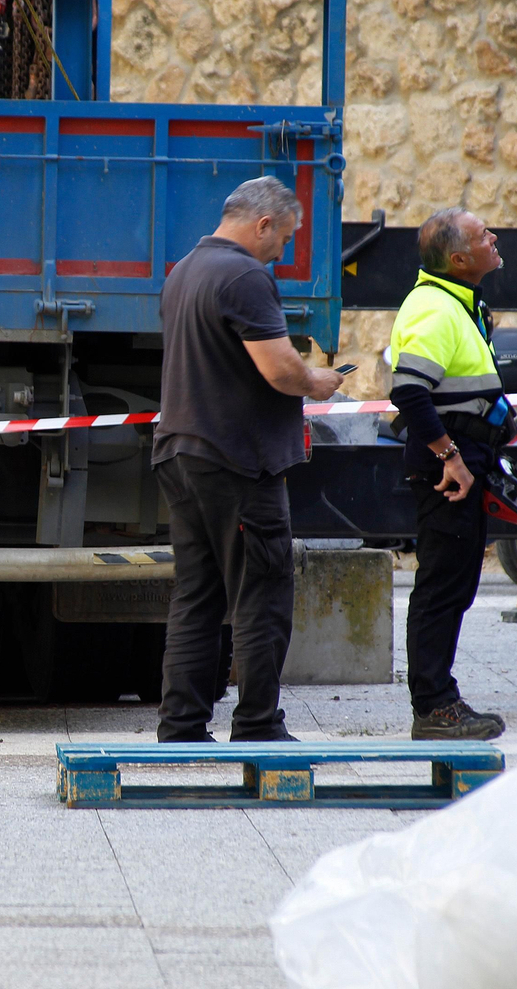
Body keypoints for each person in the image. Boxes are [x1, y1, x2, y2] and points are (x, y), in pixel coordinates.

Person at [152, 176, 344, 743]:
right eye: (282, 240)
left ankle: (182, 724)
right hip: (238, 461)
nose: (280, 254)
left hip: (181, 452)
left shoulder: (183, 270)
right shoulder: (244, 275)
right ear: (262, 224)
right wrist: (319, 381)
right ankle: (259, 725)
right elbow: (281, 369)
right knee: (260, 595)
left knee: (197, 595)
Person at [389, 208, 511, 741]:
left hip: (463, 462)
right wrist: (451, 456)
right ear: (459, 259)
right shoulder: (436, 308)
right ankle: (434, 707)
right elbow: (408, 391)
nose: (494, 237)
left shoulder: (458, 303)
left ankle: (440, 699)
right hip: (448, 471)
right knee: (442, 588)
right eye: (485, 235)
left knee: (454, 585)